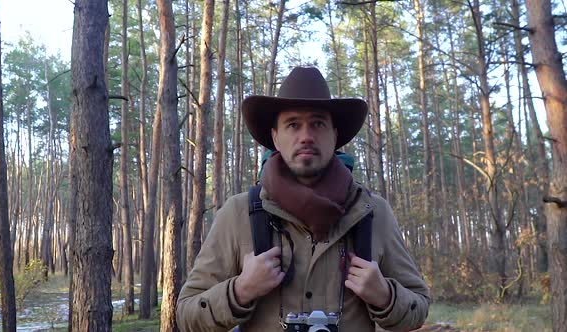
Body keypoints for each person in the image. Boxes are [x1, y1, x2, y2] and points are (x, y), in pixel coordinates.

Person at [176, 67, 430, 331]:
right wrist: (240, 290)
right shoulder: (238, 213)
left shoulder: (372, 212)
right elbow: (186, 315)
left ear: (335, 135)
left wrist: (385, 295)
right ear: (275, 136)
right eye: (293, 124)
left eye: (318, 123)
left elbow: (419, 306)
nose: (306, 136)